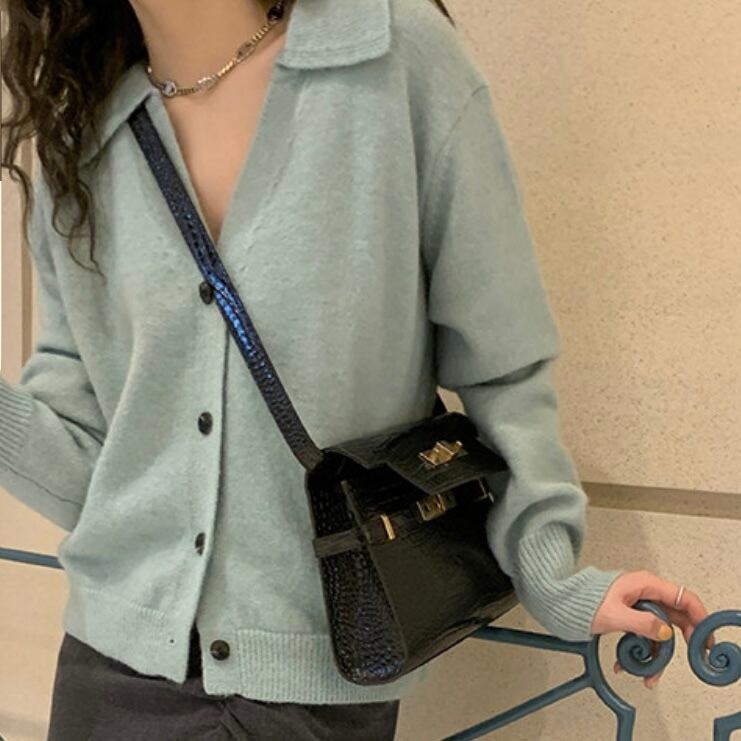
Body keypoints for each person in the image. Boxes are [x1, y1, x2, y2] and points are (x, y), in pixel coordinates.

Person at [0, 0, 713, 738]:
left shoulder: (387, 59)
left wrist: (551, 574)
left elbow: (501, 364)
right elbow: (98, 473)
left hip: (312, 689)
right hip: (109, 680)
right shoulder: (80, 141)